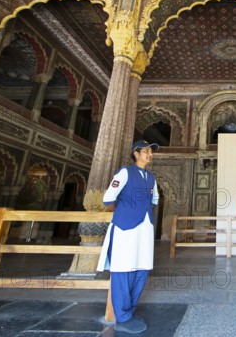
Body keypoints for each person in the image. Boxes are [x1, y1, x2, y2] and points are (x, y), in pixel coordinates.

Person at [97, 140, 159, 334]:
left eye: (151, 152)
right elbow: (109, 199)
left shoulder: (151, 177)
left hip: (145, 228)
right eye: (146, 151)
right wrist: (125, 213)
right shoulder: (125, 172)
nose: (150, 154)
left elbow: (154, 200)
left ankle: (130, 312)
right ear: (136, 153)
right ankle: (122, 317)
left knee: (141, 268)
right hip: (126, 228)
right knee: (123, 269)